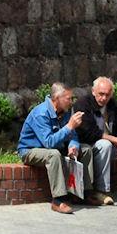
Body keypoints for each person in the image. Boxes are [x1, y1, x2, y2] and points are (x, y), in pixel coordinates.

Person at [17, 81, 87, 214]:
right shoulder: (41, 113)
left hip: (54, 148)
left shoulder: (65, 112)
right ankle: (58, 200)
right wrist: (69, 127)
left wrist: (73, 146)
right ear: (56, 98)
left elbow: (73, 136)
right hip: (30, 150)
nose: (71, 102)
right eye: (68, 99)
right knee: (53, 154)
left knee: (86, 149)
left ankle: (84, 193)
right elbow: (48, 142)